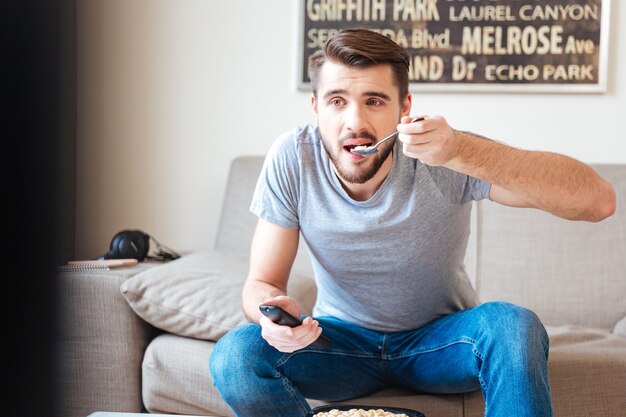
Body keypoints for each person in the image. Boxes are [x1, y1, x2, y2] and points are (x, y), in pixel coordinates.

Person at [209, 29, 616, 417]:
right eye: (337, 101)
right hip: (338, 345)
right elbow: (260, 284)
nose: (355, 122)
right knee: (235, 356)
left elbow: (598, 202)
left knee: (512, 325)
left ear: (404, 107)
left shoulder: (446, 154)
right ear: (315, 107)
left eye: (374, 101)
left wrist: (463, 149)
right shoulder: (292, 157)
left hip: (441, 343)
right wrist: (270, 318)